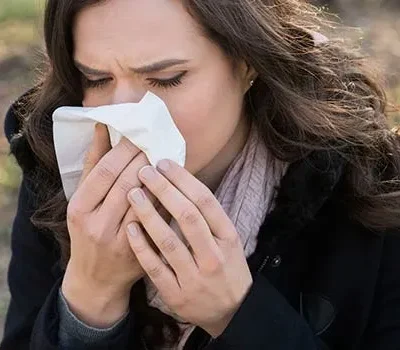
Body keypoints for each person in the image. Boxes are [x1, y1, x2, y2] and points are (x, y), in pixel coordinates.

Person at [1, 0, 400, 349]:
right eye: (97, 79)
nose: (125, 113)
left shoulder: (368, 186)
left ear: (247, 64)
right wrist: (90, 298)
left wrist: (239, 316)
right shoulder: (59, 170)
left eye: (166, 78)